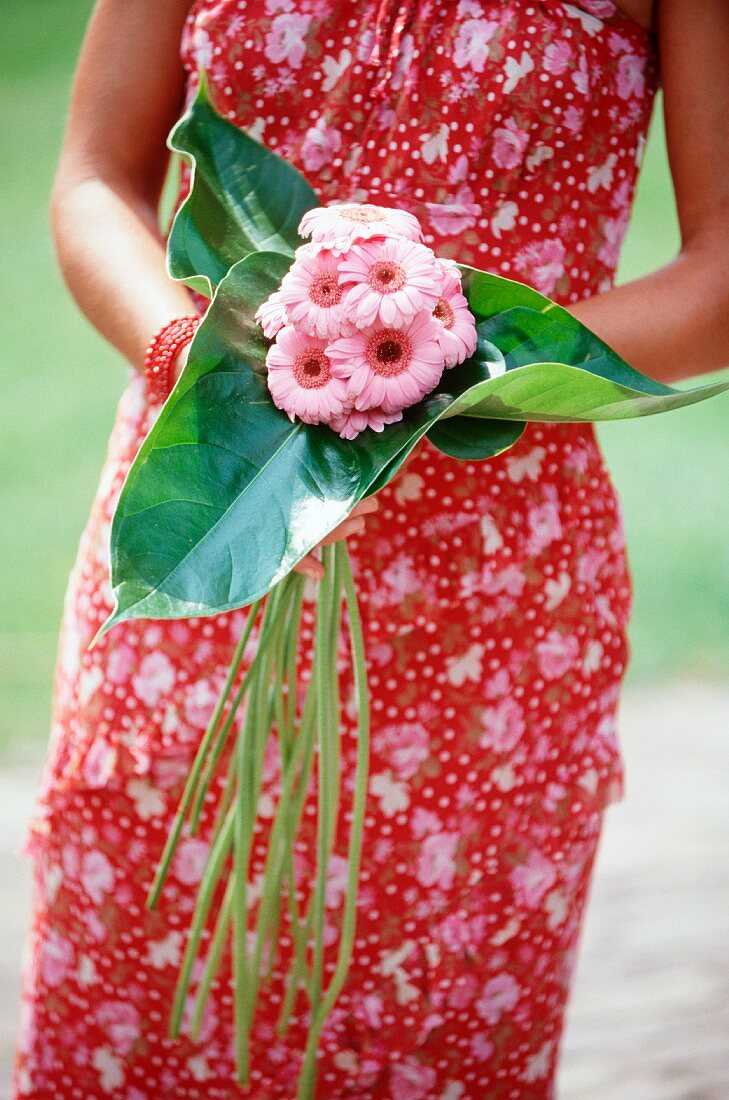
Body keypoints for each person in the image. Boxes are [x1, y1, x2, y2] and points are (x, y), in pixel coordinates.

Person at [13, 2, 729, 1097]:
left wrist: (445, 371)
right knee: (138, 993)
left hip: (490, 599)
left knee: (426, 1024)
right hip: (210, 516)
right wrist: (185, 355)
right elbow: (95, 176)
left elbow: (723, 267)